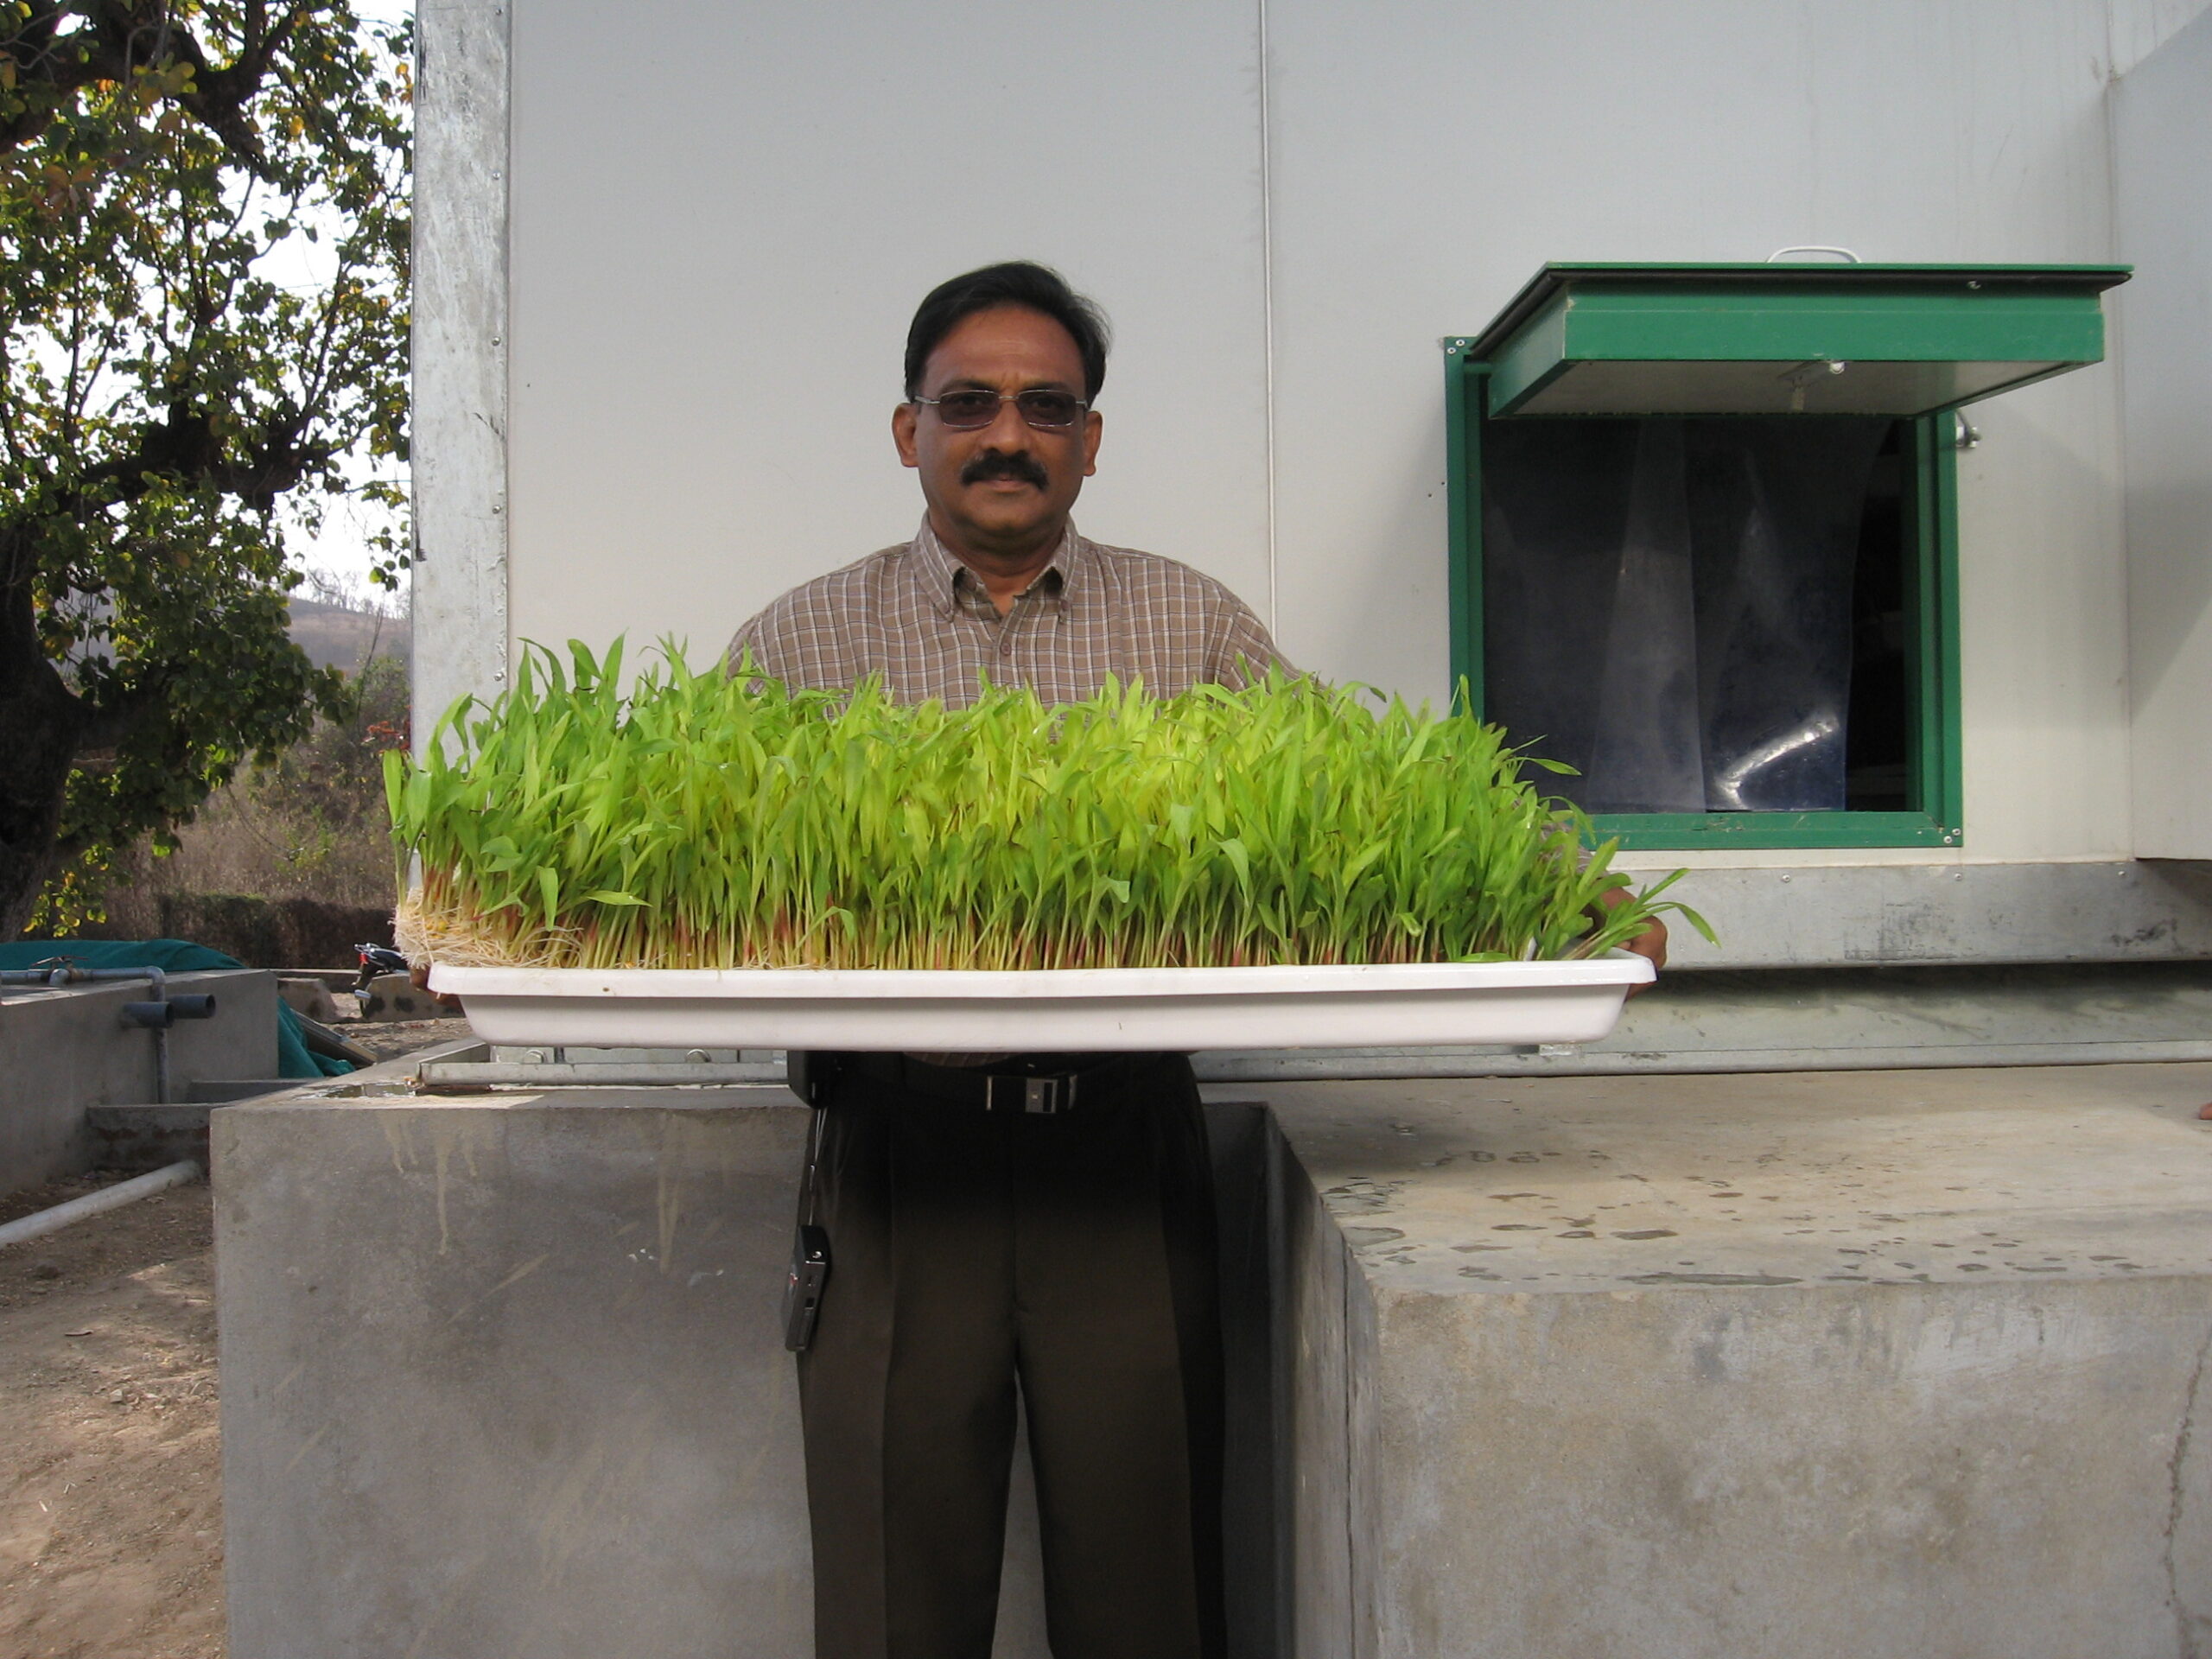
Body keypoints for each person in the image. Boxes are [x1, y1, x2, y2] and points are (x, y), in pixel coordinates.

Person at [726, 261, 1665, 1659]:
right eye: (969, 403)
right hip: (896, 1165)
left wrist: (1565, 884)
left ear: (1092, 440)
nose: (1008, 435)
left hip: (1121, 1153)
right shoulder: (803, 639)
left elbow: (1369, 792)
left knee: (1148, 1593)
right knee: (888, 1602)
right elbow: (672, 821)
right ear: (909, 428)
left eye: (1048, 407)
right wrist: (477, 921)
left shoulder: (1189, 622)